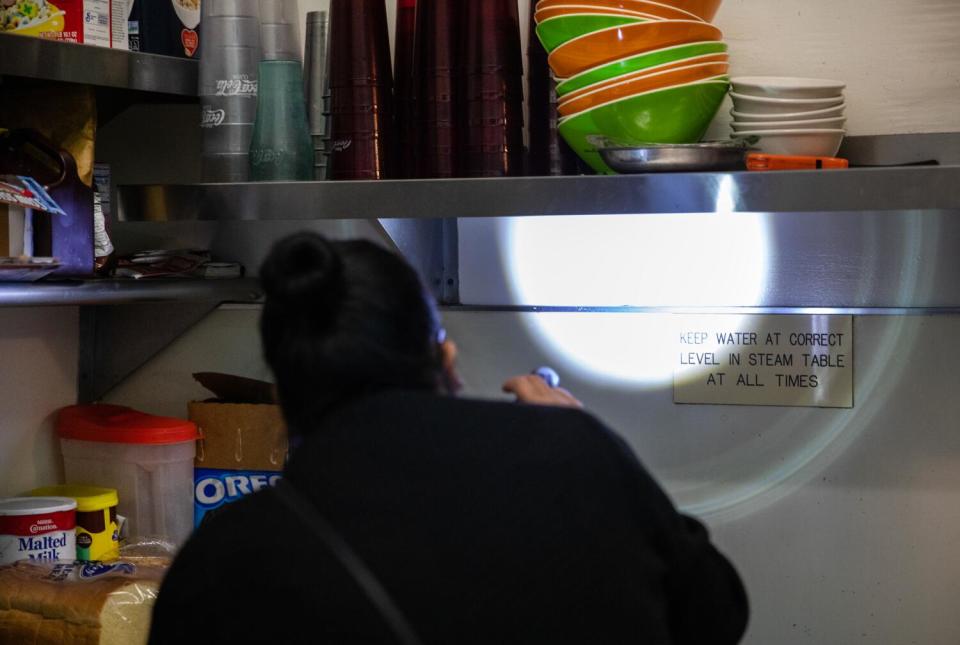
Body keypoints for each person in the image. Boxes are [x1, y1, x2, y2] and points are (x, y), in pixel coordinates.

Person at [149, 233, 748, 645]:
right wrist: (578, 430)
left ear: (281, 396)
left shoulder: (225, 561)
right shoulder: (576, 455)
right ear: (446, 359)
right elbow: (716, 614)